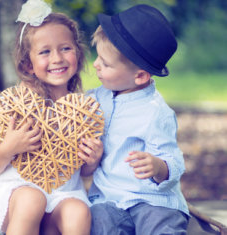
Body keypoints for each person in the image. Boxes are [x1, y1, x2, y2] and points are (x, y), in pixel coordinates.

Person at [0, 0, 102, 234]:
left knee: (79, 212)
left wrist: (92, 160)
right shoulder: (19, 106)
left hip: (62, 193)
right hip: (16, 193)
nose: (57, 58)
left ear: (77, 53)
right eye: (45, 52)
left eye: (65, 48)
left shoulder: (82, 111)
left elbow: (82, 171)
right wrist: (9, 148)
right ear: (28, 65)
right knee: (32, 199)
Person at [78, 4, 190, 235]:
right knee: (97, 223)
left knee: (162, 226)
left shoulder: (155, 112)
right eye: (97, 57)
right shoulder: (94, 100)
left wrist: (159, 166)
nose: (95, 65)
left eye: (105, 63)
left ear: (139, 76)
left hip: (151, 200)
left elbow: (175, 162)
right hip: (108, 198)